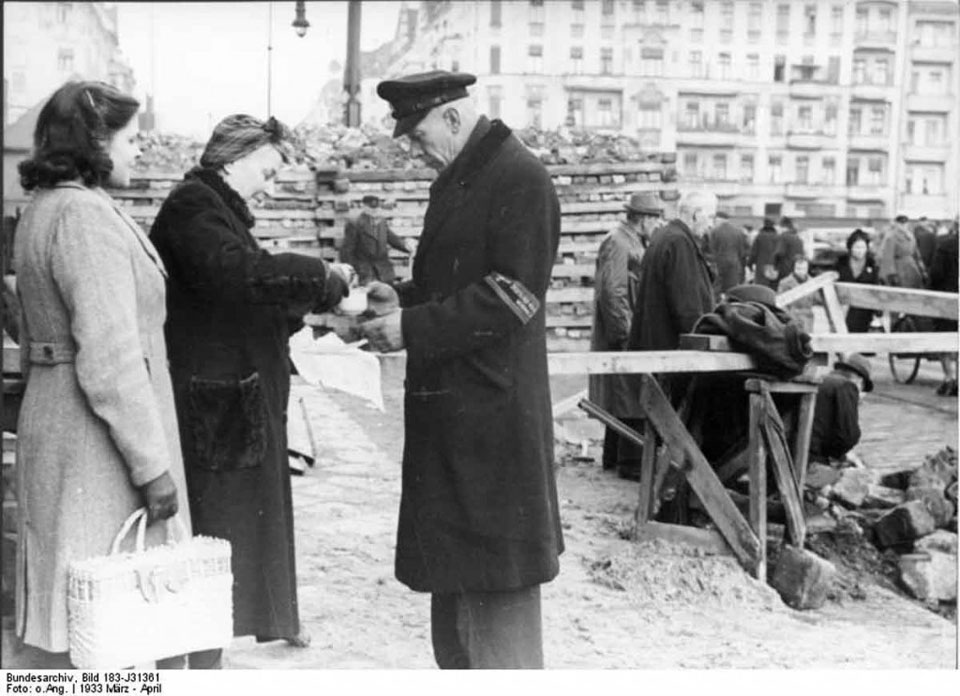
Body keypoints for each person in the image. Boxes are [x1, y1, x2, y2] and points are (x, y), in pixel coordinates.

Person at [362, 70, 563, 669]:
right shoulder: (463, 177)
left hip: (490, 424)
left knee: (496, 594)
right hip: (460, 418)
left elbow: (512, 297)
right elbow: (454, 280)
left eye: (417, 131)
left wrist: (413, 328)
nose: (412, 146)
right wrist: (399, 297)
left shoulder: (519, 179)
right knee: (456, 593)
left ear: (452, 118)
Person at [149, 114, 352, 668]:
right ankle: (199, 659)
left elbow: (239, 294)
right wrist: (320, 276)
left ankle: (211, 649)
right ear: (236, 158)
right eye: (268, 167)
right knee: (218, 533)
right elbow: (240, 277)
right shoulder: (193, 206)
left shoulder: (212, 207)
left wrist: (301, 309)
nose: (272, 181)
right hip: (216, 404)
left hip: (230, 398)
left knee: (234, 528)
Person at [13, 81, 187, 668]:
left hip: (59, 420)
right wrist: (153, 466)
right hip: (96, 442)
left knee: (72, 609)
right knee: (106, 621)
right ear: (96, 141)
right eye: (131, 138)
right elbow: (110, 357)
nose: (140, 151)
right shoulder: (84, 217)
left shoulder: (46, 209)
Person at [589, 191, 662, 479]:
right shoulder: (618, 242)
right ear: (643, 219)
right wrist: (626, 333)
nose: (657, 224)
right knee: (628, 396)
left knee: (624, 397)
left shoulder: (630, 240)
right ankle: (628, 464)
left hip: (625, 328)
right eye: (655, 218)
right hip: (621, 333)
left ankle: (614, 458)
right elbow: (612, 290)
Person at [626, 190, 717, 404]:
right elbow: (687, 308)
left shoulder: (666, 237)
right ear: (696, 215)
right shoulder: (679, 243)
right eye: (710, 217)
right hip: (671, 356)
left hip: (657, 351)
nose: (711, 225)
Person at [809, 353, 873, 466]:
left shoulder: (823, 380)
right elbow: (848, 436)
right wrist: (839, 455)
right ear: (860, 381)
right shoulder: (846, 386)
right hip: (813, 458)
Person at [340, 194, 412, 284]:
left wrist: (408, 247)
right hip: (365, 271)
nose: (374, 210)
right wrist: (351, 272)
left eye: (376, 208)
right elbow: (347, 250)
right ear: (364, 206)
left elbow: (391, 238)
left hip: (384, 270)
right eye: (371, 208)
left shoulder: (382, 221)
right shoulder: (354, 223)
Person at [928, 223, 958, 396]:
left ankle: (949, 378)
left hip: (946, 300)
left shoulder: (945, 245)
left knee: (944, 339)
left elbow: (936, 274)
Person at [835, 229, 880, 333]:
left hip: (864, 309)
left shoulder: (871, 263)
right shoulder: (841, 263)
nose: (860, 250)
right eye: (857, 247)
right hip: (844, 308)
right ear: (850, 247)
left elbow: (876, 286)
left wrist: (878, 311)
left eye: (863, 247)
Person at [708, 211, 750, 295]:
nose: (714, 222)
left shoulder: (714, 231)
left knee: (716, 287)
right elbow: (743, 251)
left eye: (715, 220)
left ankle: (715, 305)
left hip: (719, 263)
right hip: (734, 263)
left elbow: (712, 249)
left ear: (719, 219)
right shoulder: (738, 231)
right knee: (732, 288)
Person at [879, 214, 926, 289]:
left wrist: (922, 269)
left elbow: (916, 254)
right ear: (896, 224)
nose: (903, 225)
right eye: (901, 224)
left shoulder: (911, 236)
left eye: (905, 223)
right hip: (899, 267)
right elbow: (888, 257)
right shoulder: (891, 237)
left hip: (912, 266)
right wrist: (892, 274)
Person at [777, 253, 818, 333]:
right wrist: (788, 317)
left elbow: (816, 299)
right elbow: (780, 302)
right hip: (792, 316)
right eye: (798, 268)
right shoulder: (785, 282)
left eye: (803, 268)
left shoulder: (813, 282)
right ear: (794, 268)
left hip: (808, 317)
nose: (801, 271)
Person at [748, 218, 780, 289]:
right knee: (772, 288)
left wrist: (749, 264)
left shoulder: (760, 237)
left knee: (761, 289)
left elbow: (753, 253)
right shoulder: (778, 237)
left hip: (761, 267)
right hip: (774, 267)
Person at [774, 216, 805, 282]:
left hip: (785, 270)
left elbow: (779, 253)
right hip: (797, 270)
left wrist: (774, 264)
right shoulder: (798, 238)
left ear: (783, 226)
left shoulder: (784, 237)